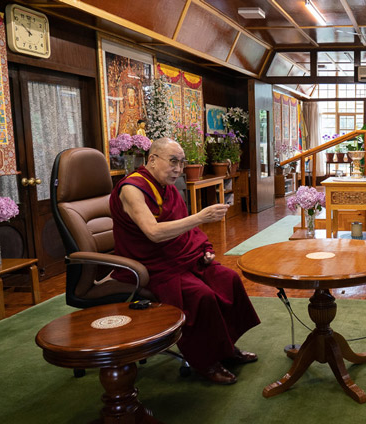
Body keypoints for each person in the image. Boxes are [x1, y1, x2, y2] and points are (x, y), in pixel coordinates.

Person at [110, 138, 261, 385]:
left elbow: (184, 230)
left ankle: (226, 348)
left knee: (228, 278)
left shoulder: (165, 187)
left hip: (180, 256)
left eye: (182, 163)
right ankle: (206, 362)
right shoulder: (132, 189)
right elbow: (154, 232)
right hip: (150, 265)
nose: (178, 169)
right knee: (201, 296)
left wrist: (204, 247)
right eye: (173, 162)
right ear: (152, 160)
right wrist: (200, 217)